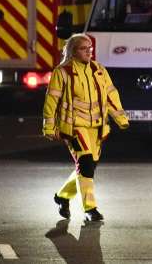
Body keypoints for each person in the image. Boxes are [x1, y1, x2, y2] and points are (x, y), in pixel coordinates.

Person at [43, 33, 129, 223]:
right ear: (73, 51)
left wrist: (120, 118)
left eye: (90, 47)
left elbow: (111, 94)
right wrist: (49, 126)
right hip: (74, 126)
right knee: (86, 164)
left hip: (97, 127)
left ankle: (63, 196)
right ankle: (90, 208)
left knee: (87, 167)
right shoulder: (62, 71)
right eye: (84, 48)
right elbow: (52, 100)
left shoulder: (99, 70)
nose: (89, 51)